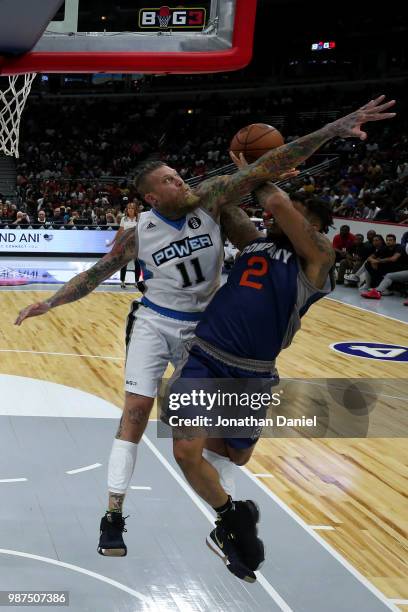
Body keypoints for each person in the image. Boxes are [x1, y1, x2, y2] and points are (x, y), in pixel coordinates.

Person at [14, 95, 396, 558]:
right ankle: (114, 515)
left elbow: (269, 171)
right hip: (162, 323)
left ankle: (227, 520)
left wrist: (329, 130)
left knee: (226, 448)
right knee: (136, 415)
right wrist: (51, 301)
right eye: (169, 179)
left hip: (211, 333)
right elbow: (94, 275)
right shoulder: (140, 233)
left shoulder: (215, 201)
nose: (180, 179)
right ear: (152, 197)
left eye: (178, 173)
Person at [165, 182, 335, 582]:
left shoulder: (319, 258)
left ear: (315, 226)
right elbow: (229, 211)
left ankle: (232, 518)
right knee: (187, 452)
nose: (282, 215)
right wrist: (214, 187)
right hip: (205, 357)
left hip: (254, 373)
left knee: (237, 457)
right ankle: (231, 520)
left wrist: (258, 169)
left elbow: (274, 200)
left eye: (298, 212)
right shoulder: (256, 243)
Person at [106, 200, 143, 290]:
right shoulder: (124, 219)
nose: (130, 210)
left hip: (136, 244)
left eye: (132, 208)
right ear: (127, 209)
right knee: (123, 264)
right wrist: (112, 242)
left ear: (135, 210)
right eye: (129, 208)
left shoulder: (140, 218)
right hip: (125, 244)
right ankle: (122, 281)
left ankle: (136, 282)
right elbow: (120, 232)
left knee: (137, 264)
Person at [361, 233, 408, 298]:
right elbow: (370, 257)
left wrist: (377, 261)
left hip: (401, 268)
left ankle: (379, 290)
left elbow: (393, 259)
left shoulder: (399, 247)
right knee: (368, 264)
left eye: (390, 240)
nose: (388, 242)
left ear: (394, 241)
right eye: (387, 240)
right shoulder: (384, 248)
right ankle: (374, 287)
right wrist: (373, 261)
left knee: (387, 274)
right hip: (391, 267)